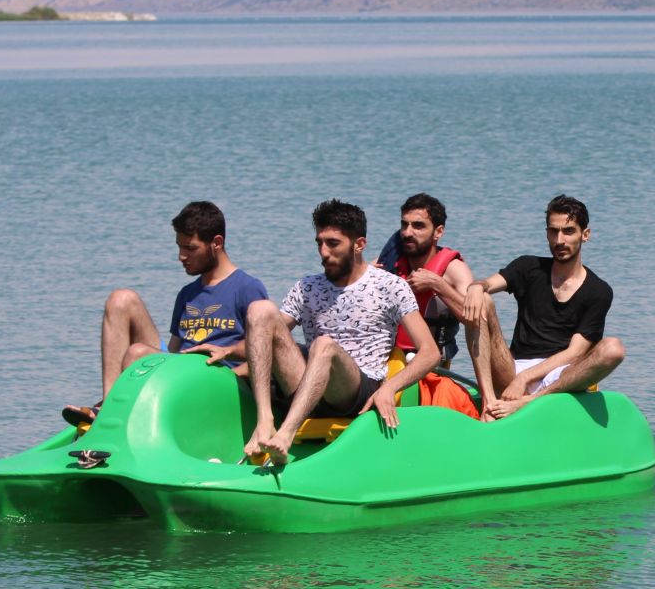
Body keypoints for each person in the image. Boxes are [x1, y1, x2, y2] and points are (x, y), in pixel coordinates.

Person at [242, 199, 440, 465]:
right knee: (260, 310)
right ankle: (264, 421)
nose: (324, 252)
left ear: (359, 245)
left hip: (355, 388)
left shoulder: (390, 286)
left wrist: (389, 389)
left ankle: (286, 435)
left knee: (323, 345)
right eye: (319, 243)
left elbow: (430, 353)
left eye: (333, 244)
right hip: (306, 387)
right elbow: (267, 335)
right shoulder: (307, 287)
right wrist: (226, 353)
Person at [62, 201, 267, 427]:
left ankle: (113, 412)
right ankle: (107, 405)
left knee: (137, 352)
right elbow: (173, 350)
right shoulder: (187, 294)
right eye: (179, 247)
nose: (181, 256)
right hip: (181, 370)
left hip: (219, 378)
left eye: (190, 248)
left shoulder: (247, 288)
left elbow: (265, 354)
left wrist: (232, 377)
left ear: (216, 243)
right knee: (120, 299)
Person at [460, 195, 625, 420]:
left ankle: (530, 402)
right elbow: (487, 284)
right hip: (512, 368)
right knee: (482, 300)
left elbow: (575, 352)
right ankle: (489, 404)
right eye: (553, 231)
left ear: (585, 235)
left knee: (613, 348)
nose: (559, 240)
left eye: (568, 231)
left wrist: (525, 379)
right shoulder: (529, 267)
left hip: (559, 377)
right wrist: (475, 288)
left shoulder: (598, 290)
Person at [376, 193, 473, 367]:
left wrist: (437, 284)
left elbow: (473, 318)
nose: (407, 233)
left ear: (438, 232)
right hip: (388, 360)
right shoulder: (388, 266)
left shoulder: (454, 269)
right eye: (404, 225)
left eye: (418, 226)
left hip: (432, 365)